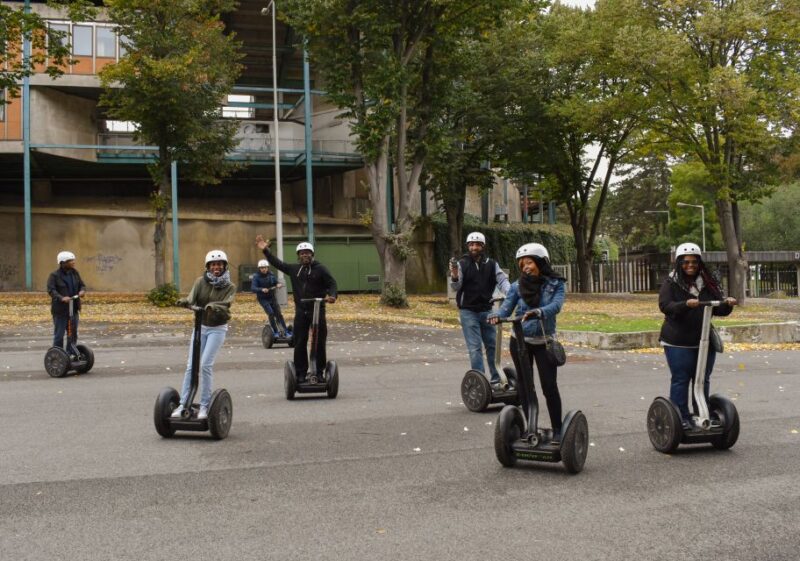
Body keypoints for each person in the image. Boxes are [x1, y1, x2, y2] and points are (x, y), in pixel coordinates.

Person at [489, 243, 566, 441]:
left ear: (541, 262)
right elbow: (506, 309)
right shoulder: (516, 286)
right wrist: (496, 316)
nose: (526, 268)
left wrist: (539, 312)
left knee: (549, 387)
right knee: (524, 386)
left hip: (544, 342)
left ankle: (557, 430)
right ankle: (529, 428)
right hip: (520, 342)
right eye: (522, 264)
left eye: (530, 262)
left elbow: (556, 306)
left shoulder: (556, 284)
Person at [659, 242, 736, 429]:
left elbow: (718, 309)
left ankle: (703, 413)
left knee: (702, 378)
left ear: (699, 262)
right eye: (686, 262)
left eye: (694, 261)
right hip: (678, 341)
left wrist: (727, 303)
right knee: (681, 379)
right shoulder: (671, 282)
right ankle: (681, 417)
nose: (690, 265)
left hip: (703, 340)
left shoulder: (707, 282)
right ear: (679, 262)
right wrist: (685, 304)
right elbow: (665, 306)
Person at [255, 235, 337, 382]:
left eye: (307, 252)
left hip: (317, 310)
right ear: (299, 256)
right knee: (299, 341)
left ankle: (318, 372)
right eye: (302, 253)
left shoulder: (321, 269)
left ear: (312, 254)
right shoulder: (294, 269)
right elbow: (278, 263)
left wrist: (332, 296)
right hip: (301, 311)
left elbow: (332, 284)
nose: (305, 255)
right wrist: (266, 251)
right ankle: (300, 373)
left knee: (319, 341)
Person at [171, 249, 236, 420]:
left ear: (224, 266)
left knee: (206, 365)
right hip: (201, 327)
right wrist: (185, 302)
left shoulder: (230, 286)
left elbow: (226, 303)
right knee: (191, 366)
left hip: (217, 328)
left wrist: (213, 306)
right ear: (208, 267)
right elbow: (192, 297)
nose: (216, 267)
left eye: (219, 264)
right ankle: (183, 403)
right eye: (213, 264)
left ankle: (205, 406)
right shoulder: (200, 281)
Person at [449, 232, 511, 386]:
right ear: (468, 246)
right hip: (468, 311)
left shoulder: (491, 264)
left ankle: (496, 380)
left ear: (483, 246)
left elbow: (502, 280)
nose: (474, 247)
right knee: (475, 348)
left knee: (492, 346)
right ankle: (480, 382)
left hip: (487, 310)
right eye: (471, 244)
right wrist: (455, 275)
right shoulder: (462, 264)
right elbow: (456, 286)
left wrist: (510, 293)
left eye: (477, 244)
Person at [47, 251, 86, 349]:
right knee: (59, 335)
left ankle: (71, 353)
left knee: (72, 334)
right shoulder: (54, 276)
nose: (73, 262)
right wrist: (61, 298)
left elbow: (82, 285)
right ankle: (58, 355)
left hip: (74, 309)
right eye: (70, 261)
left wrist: (82, 291)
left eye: (73, 260)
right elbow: (51, 290)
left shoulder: (75, 273)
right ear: (62, 262)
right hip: (60, 310)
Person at [251, 259, 288, 335]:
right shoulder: (256, 277)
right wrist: (261, 289)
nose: (264, 269)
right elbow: (253, 288)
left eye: (265, 267)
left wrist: (278, 284)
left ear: (267, 268)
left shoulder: (271, 274)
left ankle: (285, 330)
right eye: (262, 268)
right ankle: (275, 331)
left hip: (272, 297)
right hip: (263, 299)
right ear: (259, 268)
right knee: (271, 313)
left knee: (278, 314)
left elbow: (276, 282)